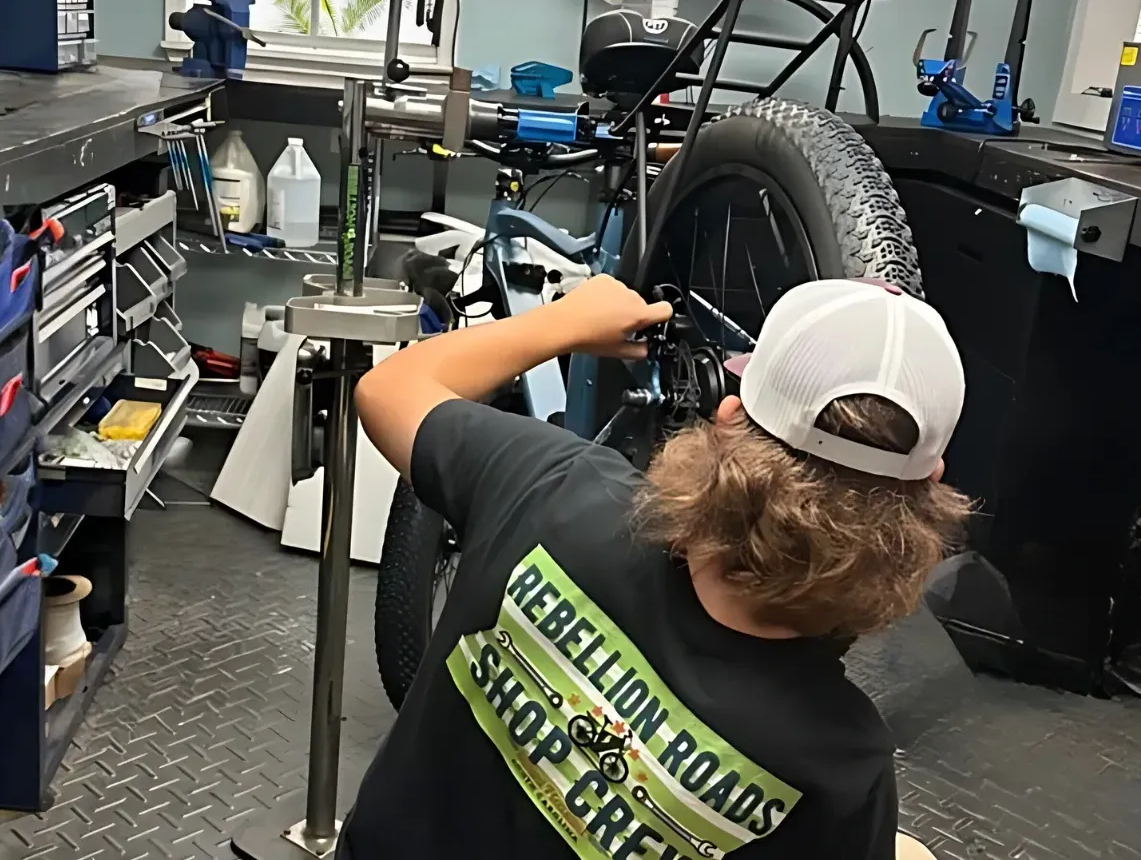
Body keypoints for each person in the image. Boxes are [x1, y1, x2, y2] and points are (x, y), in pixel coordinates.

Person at [343, 274, 972, 860]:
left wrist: (566, 321)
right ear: (926, 494)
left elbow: (386, 389)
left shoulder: (551, 487)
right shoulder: (843, 765)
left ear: (729, 421)